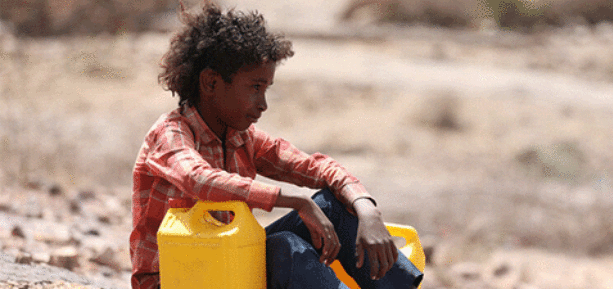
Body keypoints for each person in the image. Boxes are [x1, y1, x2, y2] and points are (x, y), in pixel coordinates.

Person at [129, 2, 423, 289]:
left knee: (330, 205)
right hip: (176, 279)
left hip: (228, 265)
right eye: (255, 88)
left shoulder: (243, 138)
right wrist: (296, 201)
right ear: (210, 83)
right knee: (285, 247)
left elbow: (317, 168)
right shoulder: (170, 134)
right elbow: (198, 179)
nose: (263, 104)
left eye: (266, 89)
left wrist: (367, 209)